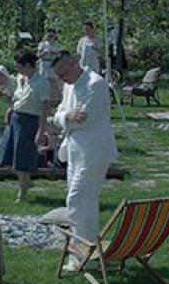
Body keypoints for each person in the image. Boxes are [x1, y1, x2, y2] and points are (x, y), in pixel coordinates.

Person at [48, 50, 118, 261]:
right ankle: (85, 252)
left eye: (63, 73)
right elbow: (60, 114)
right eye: (58, 75)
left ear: (73, 63)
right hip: (74, 152)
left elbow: (84, 119)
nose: (61, 79)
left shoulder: (95, 84)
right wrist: (66, 116)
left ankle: (81, 255)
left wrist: (64, 118)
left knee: (77, 200)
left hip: (94, 152)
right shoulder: (69, 86)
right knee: (83, 203)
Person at [0, 49, 50, 202]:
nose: (17, 69)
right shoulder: (20, 79)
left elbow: (45, 108)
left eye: (19, 65)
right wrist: (4, 98)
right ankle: (25, 182)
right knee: (7, 156)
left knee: (22, 158)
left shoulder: (41, 83)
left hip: (29, 121)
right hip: (15, 119)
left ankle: (22, 193)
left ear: (27, 65)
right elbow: (16, 100)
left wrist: (41, 130)